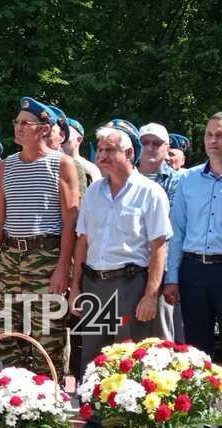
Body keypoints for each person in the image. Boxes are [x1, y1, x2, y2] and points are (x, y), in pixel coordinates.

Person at [0, 97, 79, 378]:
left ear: (44, 129)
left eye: (25, 123)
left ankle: (48, 401)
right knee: (6, 333)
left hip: (46, 257)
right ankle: (20, 395)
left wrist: (64, 267)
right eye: (17, 122)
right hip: (11, 259)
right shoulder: (6, 165)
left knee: (47, 335)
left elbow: (71, 220)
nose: (18, 128)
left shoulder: (62, 164)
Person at [69, 126, 171, 371]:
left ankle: (125, 411)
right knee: (93, 361)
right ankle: (91, 411)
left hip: (130, 286)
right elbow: (82, 241)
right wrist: (75, 288)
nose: (101, 156)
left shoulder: (150, 192)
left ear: (128, 153)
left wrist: (150, 295)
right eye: (100, 150)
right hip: (94, 285)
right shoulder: (94, 191)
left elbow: (158, 246)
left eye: (109, 150)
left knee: (130, 359)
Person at [164, 112, 222, 358]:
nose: (212, 140)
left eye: (219, 135)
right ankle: (205, 397)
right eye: (209, 134)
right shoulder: (188, 179)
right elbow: (177, 231)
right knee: (197, 349)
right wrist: (172, 277)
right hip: (193, 270)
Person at [136, 123, 184, 343]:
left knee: (163, 339)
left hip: (163, 271)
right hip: (127, 271)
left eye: (157, 143)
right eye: (145, 142)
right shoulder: (123, 179)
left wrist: (173, 275)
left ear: (167, 148)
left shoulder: (179, 182)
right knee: (126, 334)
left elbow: (176, 231)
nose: (150, 147)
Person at [62, 118, 101, 186]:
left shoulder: (90, 169)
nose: (61, 137)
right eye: (59, 133)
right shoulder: (48, 163)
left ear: (79, 139)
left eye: (66, 134)